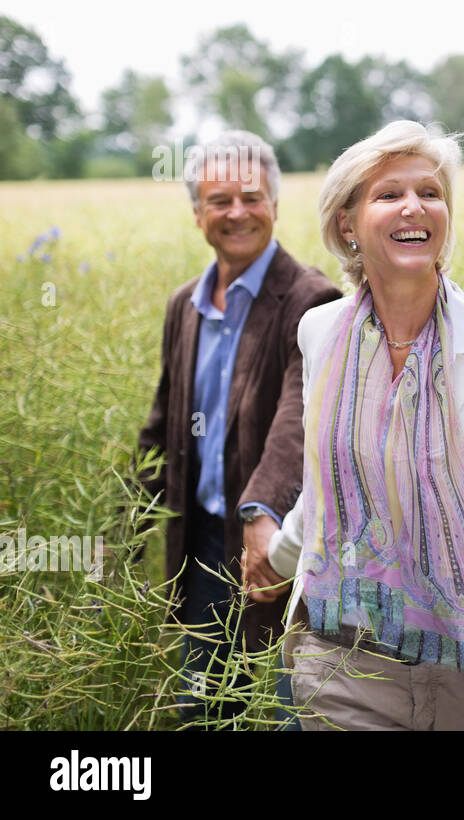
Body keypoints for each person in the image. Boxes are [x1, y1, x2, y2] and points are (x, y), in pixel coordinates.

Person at [256, 120, 464, 730]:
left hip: (452, 679)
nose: (414, 206)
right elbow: (328, 482)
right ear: (347, 223)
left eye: (431, 192)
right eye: (389, 193)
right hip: (335, 661)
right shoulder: (321, 334)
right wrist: (278, 555)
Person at [134, 131, 342, 727]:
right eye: (220, 200)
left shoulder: (310, 299)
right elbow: (163, 422)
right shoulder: (186, 304)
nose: (237, 213)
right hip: (201, 549)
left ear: (275, 205)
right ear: (197, 212)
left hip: (281, 550)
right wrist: (125, 530)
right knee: (202, 708)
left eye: (252, 198)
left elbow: (296, 418)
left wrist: (260, 510)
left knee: (285, 710)